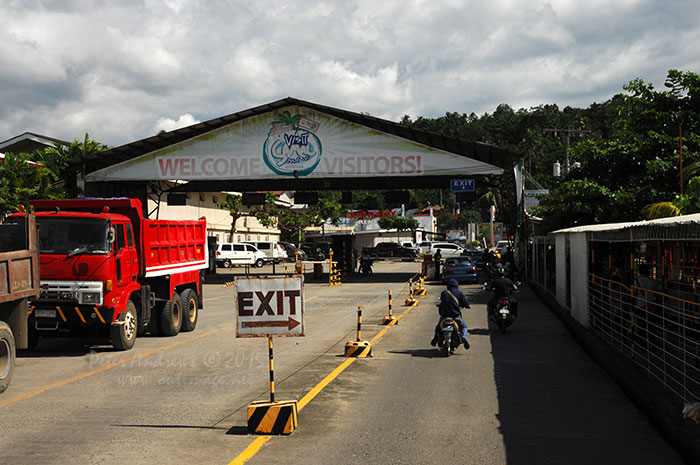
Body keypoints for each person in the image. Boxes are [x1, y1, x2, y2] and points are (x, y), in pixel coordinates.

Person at [431, 279, 470, 349]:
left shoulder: (444, 293)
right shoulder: (459, 293)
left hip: (444, 316)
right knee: (464, 327)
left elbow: (442, 301)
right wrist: (467, 305)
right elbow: (465, 302)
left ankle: (436, 337)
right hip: (455, 316)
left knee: (438, 327)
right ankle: (463, 338)